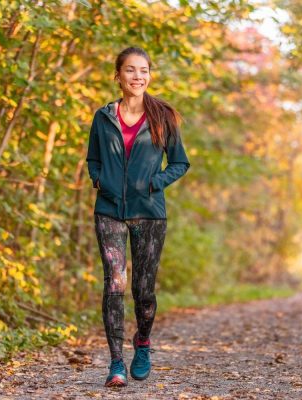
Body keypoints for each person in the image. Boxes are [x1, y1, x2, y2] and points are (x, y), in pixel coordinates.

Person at [86, 47, 190, 387]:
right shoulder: (103, 117)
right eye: (130, 70)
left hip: (149, 214)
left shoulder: (163, 117)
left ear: (149, 75)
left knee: (143, 290)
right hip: (109, 210)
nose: (137, 76)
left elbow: (179, 163)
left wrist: (153, 183)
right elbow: (93, 159)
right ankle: (116, 362)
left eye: (143, 70)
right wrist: (99, 180)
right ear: (118, 75)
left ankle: (142, 341)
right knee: (114, 283)